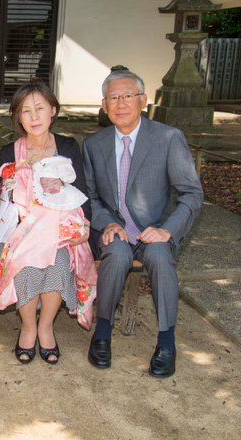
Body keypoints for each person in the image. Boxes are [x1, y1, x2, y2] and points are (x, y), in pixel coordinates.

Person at [83, 69, 203, 378]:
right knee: (118, 253)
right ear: (104, 104)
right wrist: (106, 222)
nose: (120, 104)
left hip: (155, 229)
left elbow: (191, 193)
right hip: (116, 231)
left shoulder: (166, 137)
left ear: (143, 101)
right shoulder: (94, 144)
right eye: (113, 98)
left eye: (128, 96)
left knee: (162, 256)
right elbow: (90, 196)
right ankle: (103, 332)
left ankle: (166, 342)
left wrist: (168, 230)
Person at [0, 81, 93, 365]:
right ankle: (27, 327)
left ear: (53, 111)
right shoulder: (9, 153)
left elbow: (83, 192)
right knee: (25, 260)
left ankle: (46, 326)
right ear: (18, 117)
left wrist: (85, 227)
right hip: (20, 229)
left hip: (60, 228)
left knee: (58, 261)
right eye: (26, 111)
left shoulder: (68, 146)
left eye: (40, 109)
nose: (34, 117)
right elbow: (3, 201)